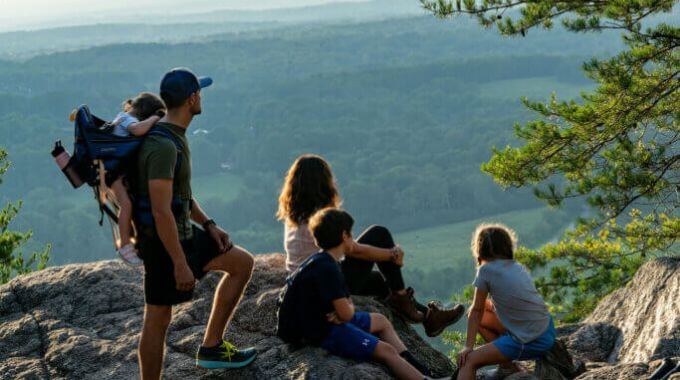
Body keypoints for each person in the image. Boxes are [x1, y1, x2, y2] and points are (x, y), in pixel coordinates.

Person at [131, 68, 257, 379]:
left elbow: (181, 196)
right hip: (164, 243)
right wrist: (179, 263)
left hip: (182, 234)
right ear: (191, 99)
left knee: (241, 263)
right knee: (158, 319)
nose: (201, 97)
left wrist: (209, 224)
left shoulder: (172, 137)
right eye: (198, 92)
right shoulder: (162, 146)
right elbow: (161, 211)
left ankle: (212, 346)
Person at [277, 154, 464, 337]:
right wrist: (392, 254)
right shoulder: (320, 217)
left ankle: (427, 317)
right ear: (324, 183)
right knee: (379, 234)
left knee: (378, 282)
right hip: (324, 283)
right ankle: (401, 296)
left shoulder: (294, 216)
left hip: (304, 282)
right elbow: (354, 250)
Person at [277, 207, 445, 380]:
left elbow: (343, 305)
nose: (353, 237)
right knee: (385, 350)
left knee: (381, 321)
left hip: (320, 320)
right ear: (344, 236)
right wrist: (344, 312)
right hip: (319, 332)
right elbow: (347, 314)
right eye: (351, 233)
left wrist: (343, 310)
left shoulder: (323, 261)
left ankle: (416, 367)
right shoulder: (328, 269)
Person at [456, 224, 556, 380]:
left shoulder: (486, 270)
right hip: (547, 331)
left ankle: (506, 363)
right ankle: (507, 366)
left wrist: (468, 348)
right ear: (508, 245)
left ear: (479, 249)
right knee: (483, 311)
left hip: (530, 341)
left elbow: (476, 311)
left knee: (468, 361)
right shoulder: (517, 266)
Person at [108, 92, 166, 266]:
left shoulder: (122, 117)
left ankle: (133, 243)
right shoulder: (125, 118)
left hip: (114, 171)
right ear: (144, 112)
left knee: (128, 205)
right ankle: (125, 246)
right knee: (126, 205)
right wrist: (156, 118)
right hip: (112, 173)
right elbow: (138, 130)